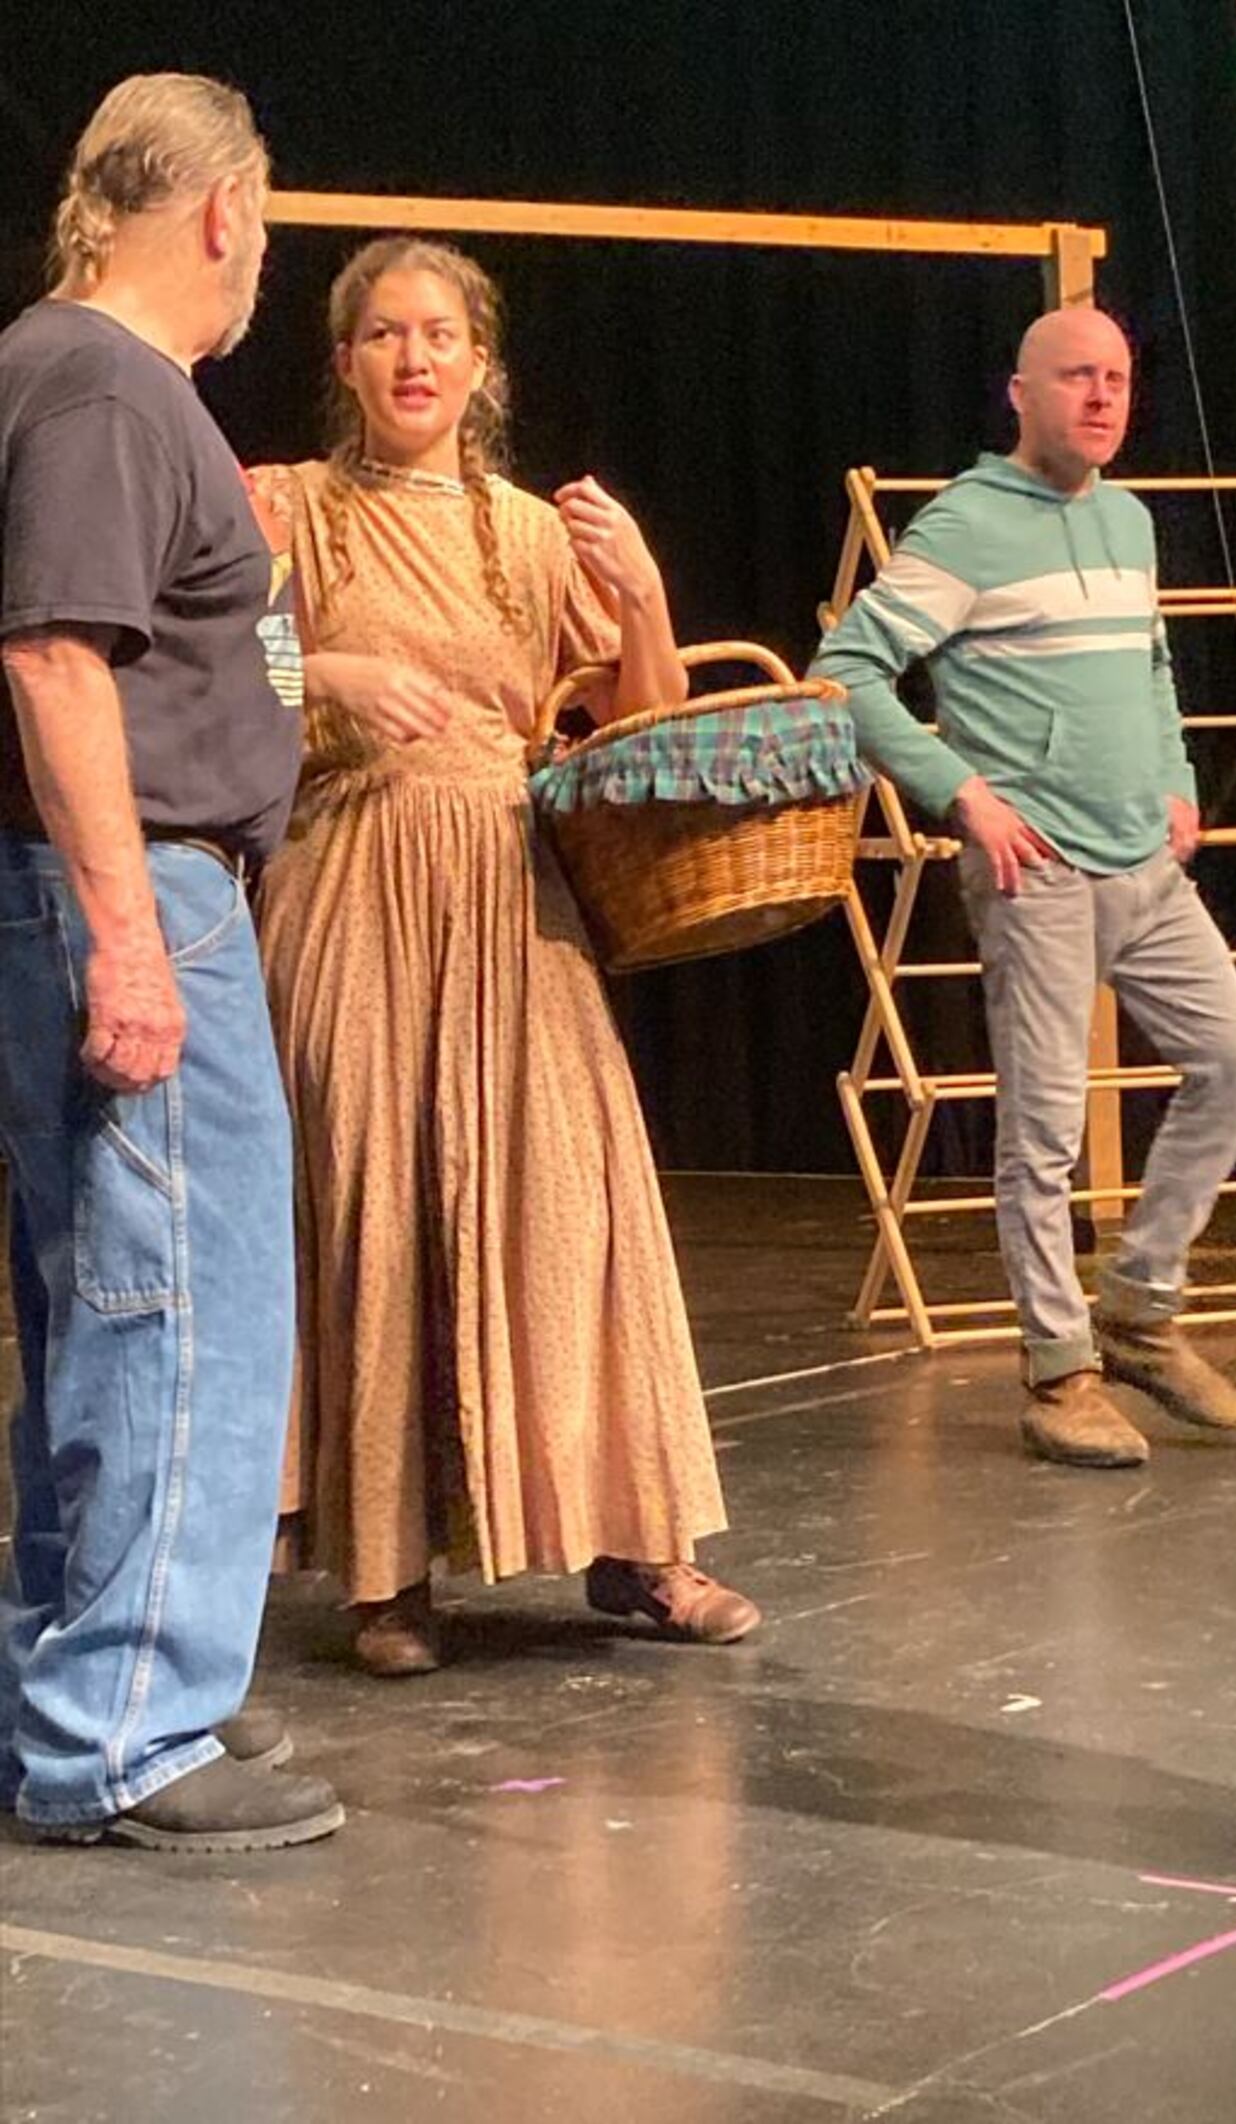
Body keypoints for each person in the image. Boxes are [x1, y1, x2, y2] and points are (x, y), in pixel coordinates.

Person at [249, 237, 759, 1676]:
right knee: (379, 1202)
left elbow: (649, 734)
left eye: (441, 335)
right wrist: (329, 673)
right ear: (345, 362)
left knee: (571, 1200)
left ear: (483, 368)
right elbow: (207, 667)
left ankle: (636, 1546)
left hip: (511, 893)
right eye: (385, 335)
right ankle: (386, 1574)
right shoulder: (289, 509)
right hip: (351, 881)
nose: (415, 357)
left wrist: (646, 596)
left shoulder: (535, 535)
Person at [0, 75, 342, 1849]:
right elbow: (57, 657)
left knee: (99, 1300)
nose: (257, 264)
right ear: (219, 214)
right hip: (136, 888)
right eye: (264, 233)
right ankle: (126, 1722)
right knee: (174, 1297)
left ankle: (87, 1682)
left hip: (109, 881)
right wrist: (132, 937)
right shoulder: (107, 383)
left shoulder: (70, 375)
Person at [812, 307, 1236, 1469]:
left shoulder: (1125, 520)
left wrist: (1176, 779)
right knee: (1044, 1131)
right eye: (1077, 376)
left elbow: (1154, 662)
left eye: (1117, 377)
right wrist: (960, 794)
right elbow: (847, 669)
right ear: (1019, 392)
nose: (1103, 397)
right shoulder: (968, 526)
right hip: (1041, 875)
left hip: (1143, 865)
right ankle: (1059, 1370)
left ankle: (1139, 1309)